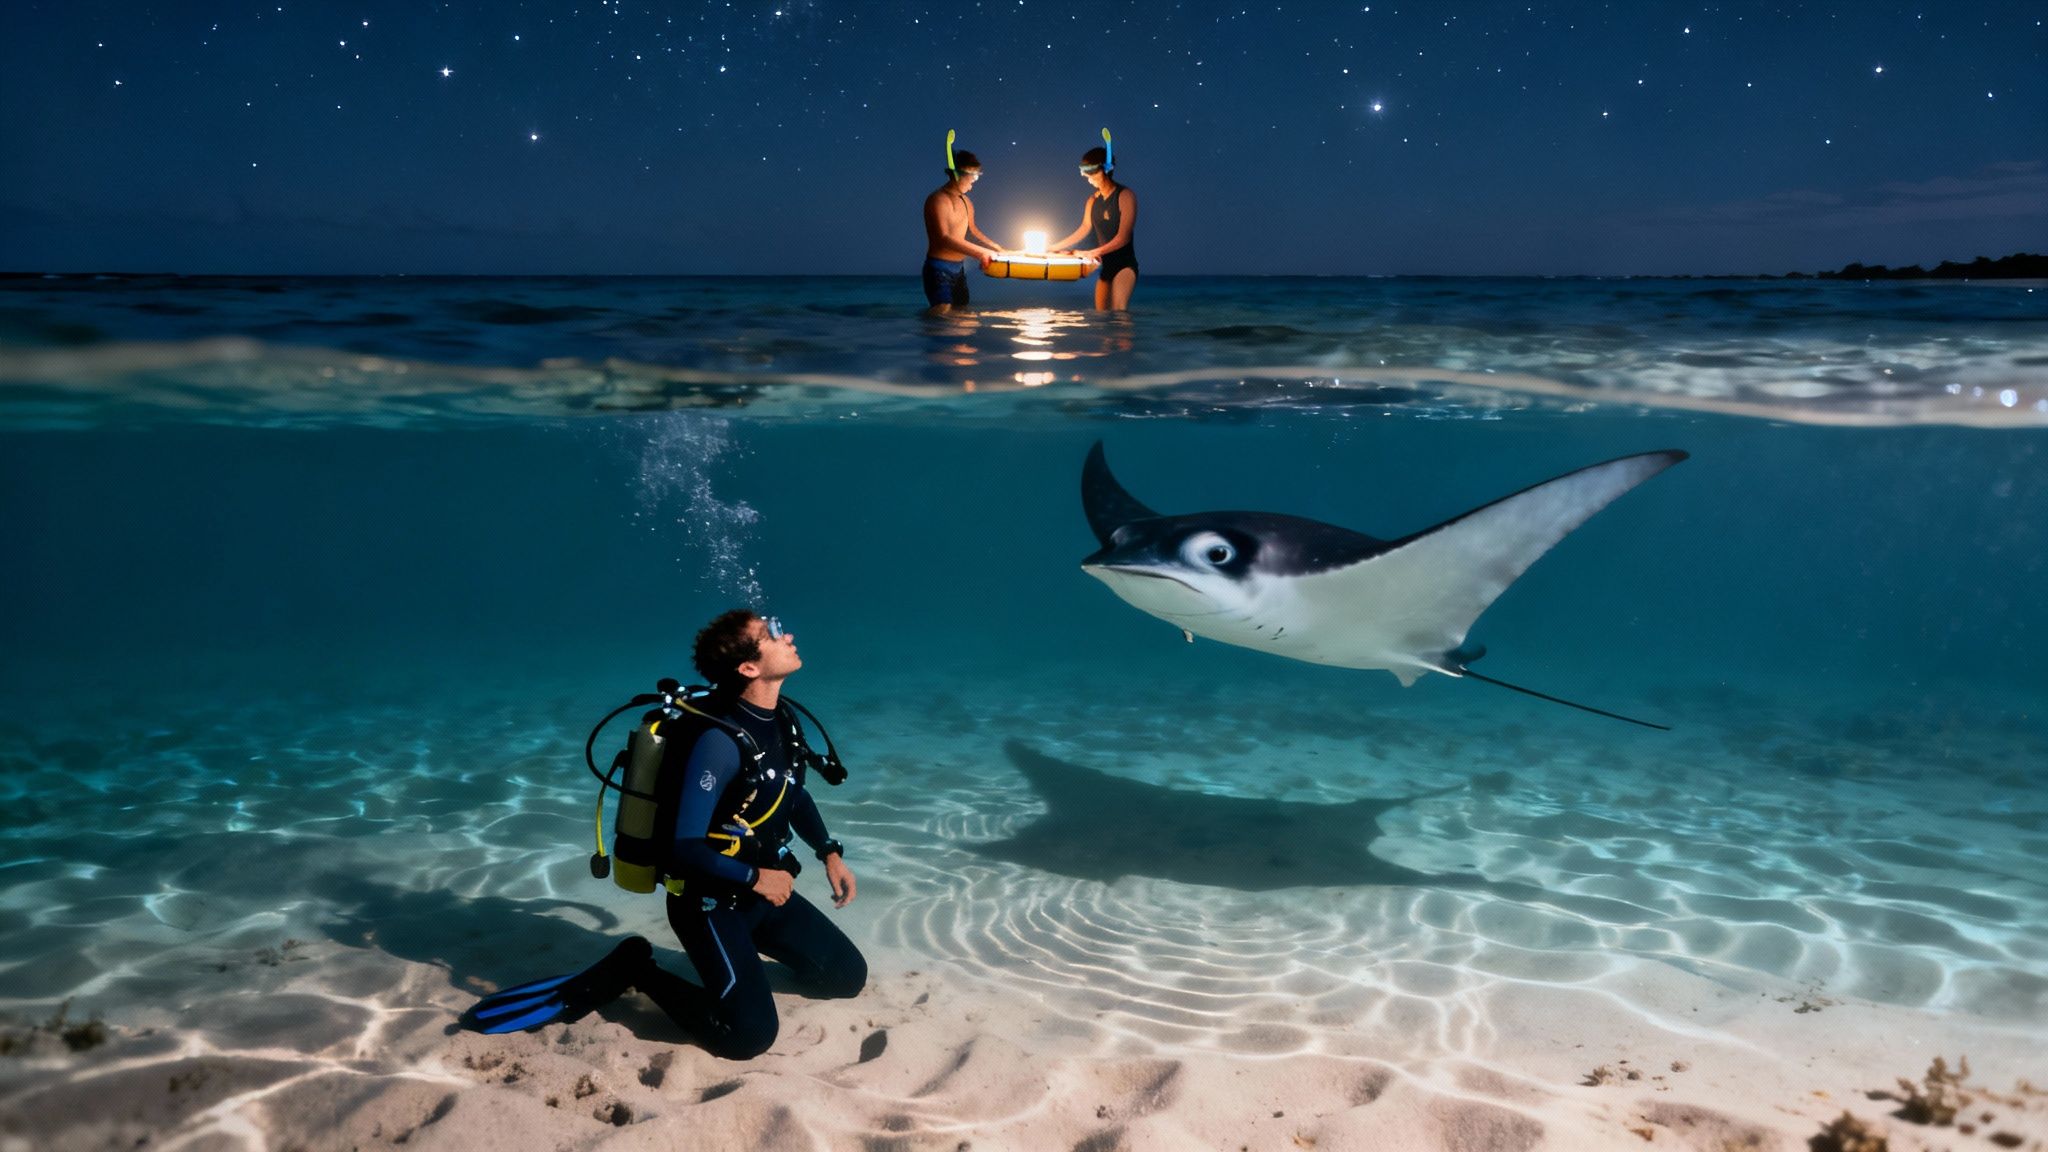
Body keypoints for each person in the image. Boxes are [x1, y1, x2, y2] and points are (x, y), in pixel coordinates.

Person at [464, 610, 866, 1059]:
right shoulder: (717, 741)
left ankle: (741, 957)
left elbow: (791, 794)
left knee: (846, 978)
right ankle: (638, 971)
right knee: (748, 1036)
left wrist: (829, 852)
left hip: (763, 892)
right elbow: (683, 847)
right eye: (771, 634)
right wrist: (757, 879)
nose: (787, 634)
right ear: (749, 668)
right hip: (710, 902)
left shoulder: (783, 719)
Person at [1051, 144, 1138, 311]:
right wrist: (1054, 247)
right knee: (1102, 317)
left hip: (1125, 266)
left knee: (1119, 312)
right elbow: (1083, 229)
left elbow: (1123, 237)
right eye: (1083, 170)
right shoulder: (1092, 201)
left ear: (1104, 169)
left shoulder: (1125, 195)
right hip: (1106, 267)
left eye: (1089, 171)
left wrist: (1094, 252)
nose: (1085, 176)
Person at [922, 147, 1001, 312]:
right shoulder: (938, 200)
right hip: (938, 270)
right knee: (942, 311)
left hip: (958, 270)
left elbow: (971, 233)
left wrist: (996, 248)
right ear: (957, 175)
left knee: (962, 315)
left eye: (976, 178)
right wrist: (981, 253)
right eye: (971, 178)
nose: (973, 183)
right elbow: (945, 238)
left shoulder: (966, 202)